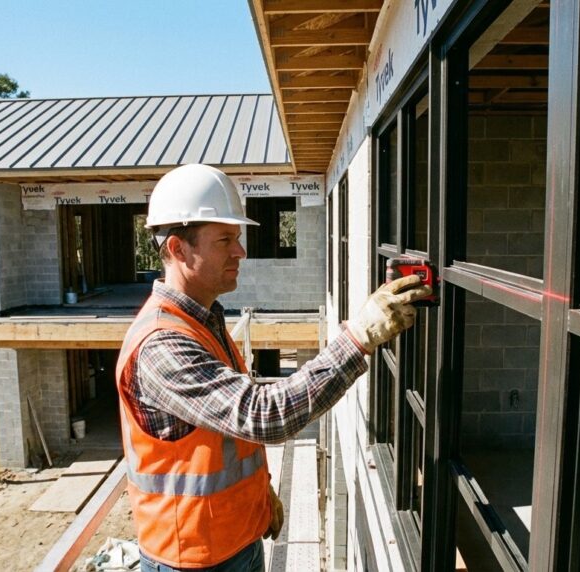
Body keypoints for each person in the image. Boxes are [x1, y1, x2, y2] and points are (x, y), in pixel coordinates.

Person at [115, 164, 431, 572]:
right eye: (225, 240)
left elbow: (224, 433)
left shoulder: (203, 321)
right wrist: (359, 338)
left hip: (238, 540)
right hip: (191, 560)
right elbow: (263, 415)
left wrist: (260, 495)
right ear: (177, 249)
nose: (240, 251)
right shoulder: (162, 345)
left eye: (238, 238)